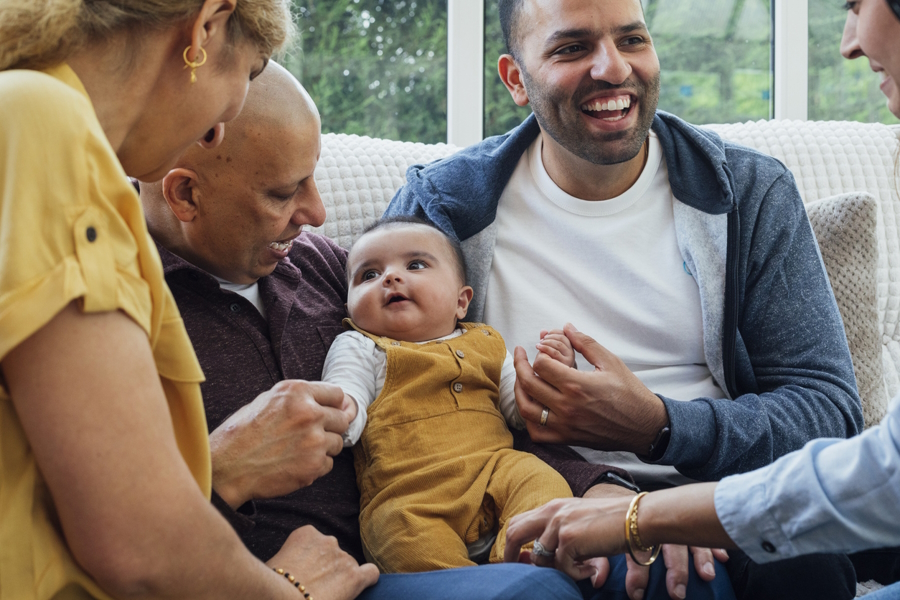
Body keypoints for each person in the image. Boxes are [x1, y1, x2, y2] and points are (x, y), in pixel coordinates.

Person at [384, 0, 866, 597]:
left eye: (632, 40)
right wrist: (598, 488)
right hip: (548, 506)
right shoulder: (440, 212)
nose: (613, 69)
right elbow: (403, 402)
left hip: (727, 496)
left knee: (804, 568)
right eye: (571, 48)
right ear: (515, 79)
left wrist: (661, 427)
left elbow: (830, 416)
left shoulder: (747, 192)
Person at [140, 60, 615, 600]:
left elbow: (474, 403)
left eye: (314, 178)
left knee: (687, 568)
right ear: (185, 196)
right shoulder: (117, 306)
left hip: (483, 510)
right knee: (532, 593)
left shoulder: (312, 260)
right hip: (305, 576)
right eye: (282, 193)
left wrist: (599, 492)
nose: (317, 213)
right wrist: (221, 470)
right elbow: (98, 533)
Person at [0, 0, 380, 599]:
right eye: (250, 73)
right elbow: (140, 544)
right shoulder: (38, 115)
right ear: (207, 26)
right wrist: (292, 592)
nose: (220, 126)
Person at [321, 216, 572, 572]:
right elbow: (346, 391)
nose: (391, 277)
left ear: (461, 301)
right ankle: (468, 586)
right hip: (410, 498)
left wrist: (550, 375)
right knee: (396, 532)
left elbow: (520, 411)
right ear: (348, 306)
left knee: (540, 479)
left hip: (494, 471)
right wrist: (339, 414)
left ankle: (522, 564)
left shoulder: (486, 341)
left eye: (416, 265)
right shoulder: (360, 346)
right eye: (369, 275)